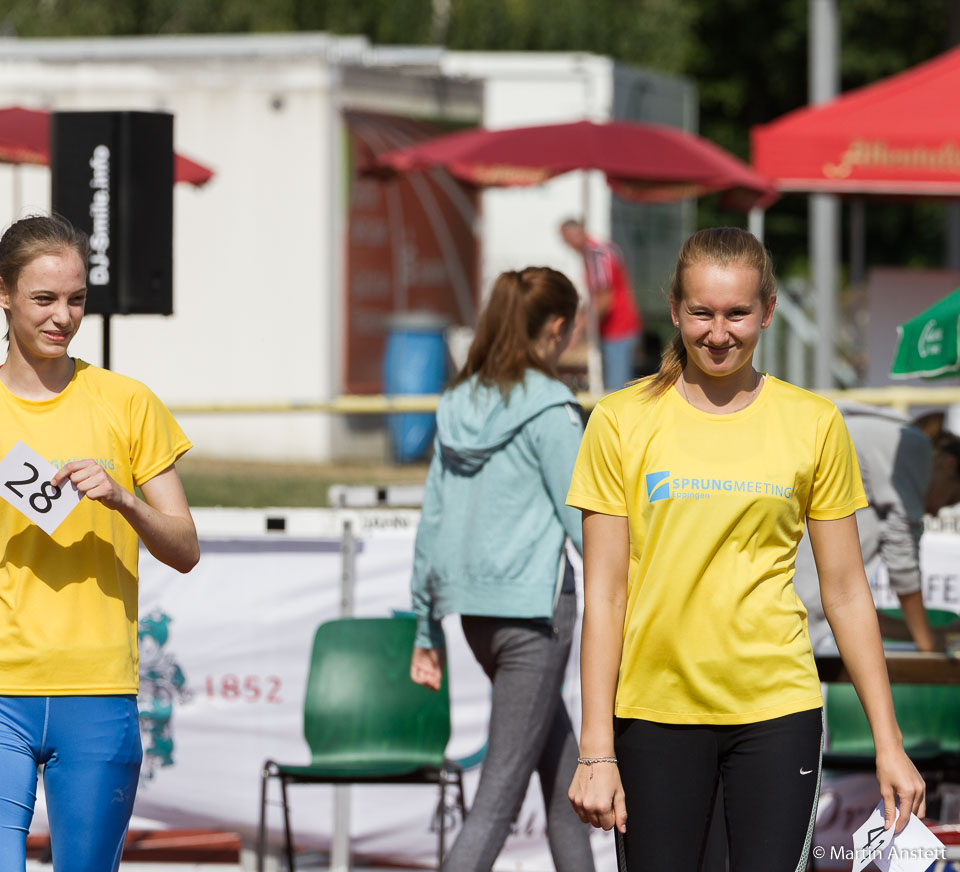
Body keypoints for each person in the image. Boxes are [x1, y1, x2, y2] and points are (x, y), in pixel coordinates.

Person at [566, 227, 925, 872]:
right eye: (701, 312)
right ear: (674, 309)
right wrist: (596, 747)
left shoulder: (813, 423)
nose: (718, 332)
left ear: (767, 311)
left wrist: (888, 742)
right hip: (653, 714)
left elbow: (846, 591)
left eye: (737, 313)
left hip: (776, 709)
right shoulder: (619, 422)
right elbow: (606, 593)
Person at [0, 214, 199, 872]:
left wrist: (124, 499)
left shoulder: (127, 402)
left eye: (77, 299)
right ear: (4, 294)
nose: (63, 316)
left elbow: (184, 547)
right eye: (44, 299)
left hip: (98, 691)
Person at [409, 266, 596, 872]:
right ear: (560, 328)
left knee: (566, 784)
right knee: (496, 803)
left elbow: (432, 519)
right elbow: (584, 521)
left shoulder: (457, 401)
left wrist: (425, 624)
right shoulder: (554, 408)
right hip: (534, 618)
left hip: (477, 619)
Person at [793, 404, 943, 652]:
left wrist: (929, 634)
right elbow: (902, 554)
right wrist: (927, 642)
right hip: (803, 614)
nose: (937, 511)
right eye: (951, 499)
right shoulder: (911, 445)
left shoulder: (861, 432)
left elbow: (848, 606)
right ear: (947, 463)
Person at [560, 218, 643, 391]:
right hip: (613, 330)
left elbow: (604, 299)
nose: (569, 247)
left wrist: (579, 330)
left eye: (567, 241)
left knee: (616, 390)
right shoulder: (597, 252)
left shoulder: (596, 254)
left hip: (619, 329)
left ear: (574, 234)